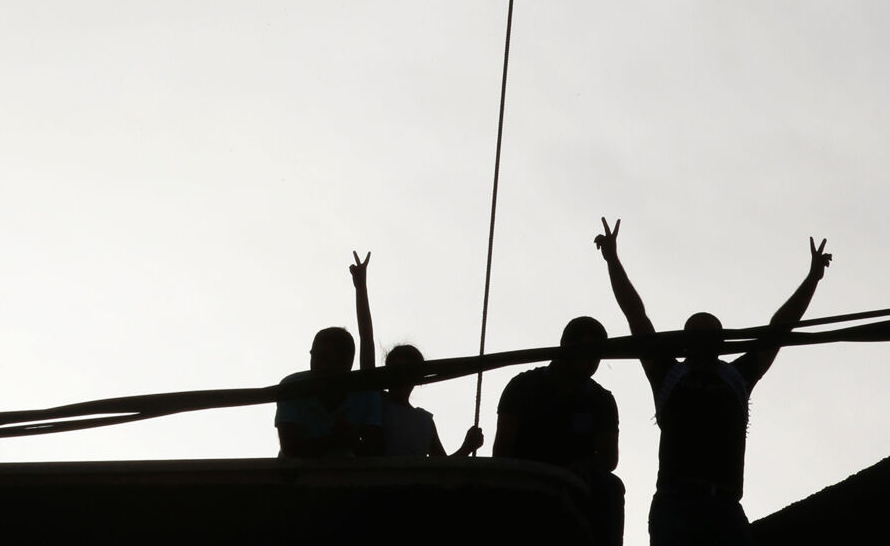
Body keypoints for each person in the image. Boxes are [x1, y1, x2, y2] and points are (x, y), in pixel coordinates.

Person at [594, 218, 832, 546]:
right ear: (686, 341)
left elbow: (780, 328)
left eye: (709, 334)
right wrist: (613, 260)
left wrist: (813, 278)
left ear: (720, 342)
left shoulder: (736, 376)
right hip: (676, 503)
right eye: (696, 334)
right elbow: (636, 316)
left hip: (725, 506)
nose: (703, 340)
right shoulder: (668, 373)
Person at [494, 314, 623, 545]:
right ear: (566, 347)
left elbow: (609, 458)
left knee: (611, 487)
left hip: (576, 485)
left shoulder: (601, 400)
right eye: (588, 353)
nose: (593, 362)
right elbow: (502, 450)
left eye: (598, 356)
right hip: (525, 480)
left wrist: (577, 469)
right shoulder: (522, 386)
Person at [348, 252, 482, 458]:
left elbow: (442, 469)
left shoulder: (424, 421)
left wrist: (466, 447)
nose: (398, 376)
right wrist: (361, 288)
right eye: (393, 370)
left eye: (405, 371)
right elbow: (366, 339)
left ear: (418, 377)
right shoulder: (376, 401)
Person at [275, 324, 383, 458]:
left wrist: (345, 440)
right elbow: (290, 450)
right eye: (314, 356)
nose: (315, 364)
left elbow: (375, 450)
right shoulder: (290, 387)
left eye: (324, 358)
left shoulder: (368, 392)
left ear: (346, 362)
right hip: (299, 472)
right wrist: (343, 439)